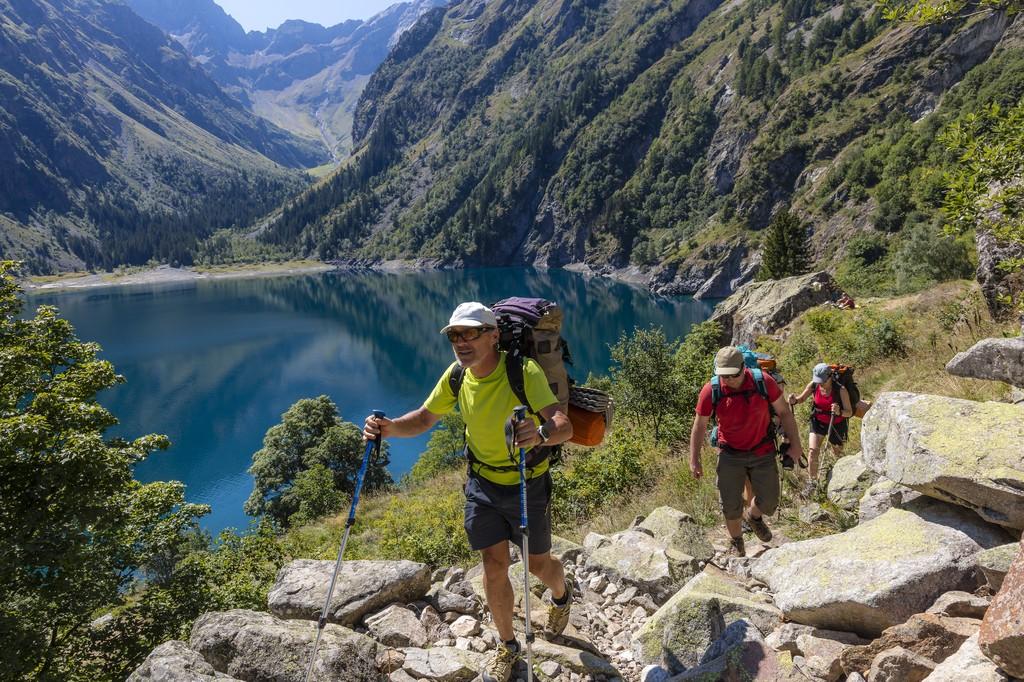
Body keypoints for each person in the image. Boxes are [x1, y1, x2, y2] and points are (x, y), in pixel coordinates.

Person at [362, 302, 573, 682]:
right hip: (482, 484)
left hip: (527, 482)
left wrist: (540, 433)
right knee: (494, 566)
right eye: (455, 335)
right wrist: (389, 428)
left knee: (538, 564)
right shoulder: (458, 376)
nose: (460, 342)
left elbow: (563, 424)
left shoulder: (522, 371)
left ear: (493, 336)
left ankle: (561, 594)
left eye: (470, 333)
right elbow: (425, 418)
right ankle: (507, 646)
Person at [689, 347, 803, 557]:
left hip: (762, 450)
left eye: (733, 374)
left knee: (769, 500)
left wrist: (795, 444)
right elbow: (699, 425)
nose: (729, 379)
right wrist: (694, 459)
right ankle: (737, 542)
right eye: (724, 375)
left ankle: (754, 516)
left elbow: (784, 412)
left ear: (744, 368)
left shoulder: (763, 382)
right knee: (730, 504)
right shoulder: (712, 390)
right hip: (729, 454)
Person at [788, 363, 853, 497]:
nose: (820, 383)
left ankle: (838, 481)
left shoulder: (841, 390)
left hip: (836, 424)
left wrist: (839, 411)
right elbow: (801, 399)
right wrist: (794, 400)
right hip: (818, 422)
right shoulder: (814, 385)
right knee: (813, 451)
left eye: (823, 381)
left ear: (830, 377)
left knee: (838, 455)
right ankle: (812, 483)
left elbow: (849, 412)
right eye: (818, 380)